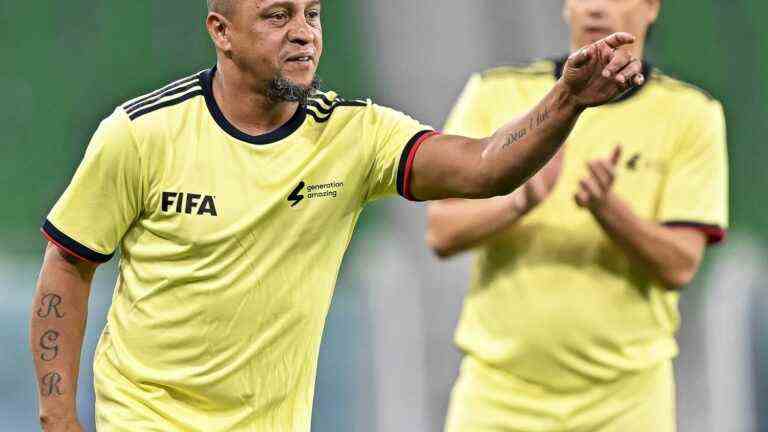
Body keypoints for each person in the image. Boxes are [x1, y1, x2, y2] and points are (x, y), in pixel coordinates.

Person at [29, 0, 643, 430]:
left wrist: (566, 101)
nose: (304, 33)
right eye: (277, 16)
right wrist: (59, 419)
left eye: (312, 15)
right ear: (222, 30)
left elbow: (483, 166)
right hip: (148, 418)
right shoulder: (139, 135)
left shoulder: (356, 135)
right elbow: (68, 264)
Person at [427, 1, 728, 431]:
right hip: (500, 395)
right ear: (566, 8)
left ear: (651, 8)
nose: (596, 8)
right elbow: (441, 232)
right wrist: (518, 200)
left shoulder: (691, 114)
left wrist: (611, 212)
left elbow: (680, 264)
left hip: (625, 401)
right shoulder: (495, 92)